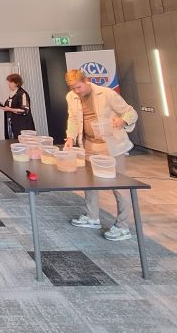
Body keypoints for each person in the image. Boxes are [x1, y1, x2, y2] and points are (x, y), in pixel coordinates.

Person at [64, 69, 138, 241]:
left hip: (111, 146)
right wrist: (70, 137)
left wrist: (122, 121)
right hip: (89, 145)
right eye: (72, 88)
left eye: (79, 87)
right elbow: (73, 118)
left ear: (86, 81)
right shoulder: (71, 97)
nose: (76, 91)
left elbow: (131, 112)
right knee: (89, 183)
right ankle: (92, 217)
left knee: (119, 186)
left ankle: (123, 227)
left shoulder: (106, 94)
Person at [0, 73, 35, 139]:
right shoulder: (12, 94)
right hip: (14, 124)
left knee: (22, 142)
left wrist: (10, 109)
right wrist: (2, 106)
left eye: (11, 82)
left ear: (17, 83)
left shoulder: (22, 93)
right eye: (9, 82)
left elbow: (25, 110)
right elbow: (11, 106)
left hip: (23, 125)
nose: (9, 84)